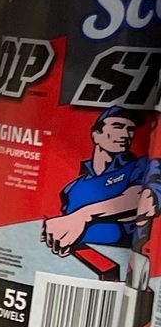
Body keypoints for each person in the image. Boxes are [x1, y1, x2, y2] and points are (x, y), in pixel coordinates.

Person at [41, 104, 161, 259]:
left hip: (124, 267)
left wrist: (83, 215)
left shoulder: (143, 166)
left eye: (130, 129)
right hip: (72, 262)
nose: (126, 134)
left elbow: (144, 201)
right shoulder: (72, 188)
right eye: (118, 126)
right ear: (96, 135)